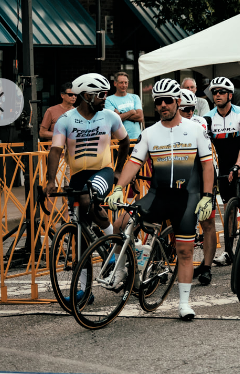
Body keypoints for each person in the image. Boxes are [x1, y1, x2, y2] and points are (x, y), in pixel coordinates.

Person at [105, 78, 214, 321]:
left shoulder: (196, 130)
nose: (163, 105)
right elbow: (134, 162)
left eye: (168, 101)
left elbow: (207, 166)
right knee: (122, 221)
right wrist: (119, 188)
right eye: (158, 102)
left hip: (187, 198)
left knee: (184, 251)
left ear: (177, 101)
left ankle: (184, 304)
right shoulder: (149, 133)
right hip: (158, 195)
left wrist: (207, 197)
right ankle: (122, 268)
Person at [43, 73, 129, 225]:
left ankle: (112, 238)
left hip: (103, 171)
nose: (105, 99)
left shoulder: (110, 116)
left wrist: (118, 170)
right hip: (77, 176)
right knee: (78, 223)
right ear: (87, 96)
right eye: (101, 95)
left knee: (87, 198)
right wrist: (51, 181)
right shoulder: (65, 120)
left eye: (106, 94)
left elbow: (125, 141)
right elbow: (55, 151)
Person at [204, 77, 240, 268]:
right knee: (228, 210)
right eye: (214, 92)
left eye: (222, 92)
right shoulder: (209, 117)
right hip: (224, 167)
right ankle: (229, 251)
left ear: (230, 95)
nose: (217, 95)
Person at [176, 89, 217, 286]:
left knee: (207, 222)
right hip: (181, 177)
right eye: (185, 110)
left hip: (202, 175)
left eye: (192, 109)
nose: (190, 113)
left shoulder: (199, 123)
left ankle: (207, 267)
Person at [104, 72, 143, 146]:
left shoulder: (135, 97)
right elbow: (113, 120)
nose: (124, 85)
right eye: (121, 83)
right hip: (119, 141)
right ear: (115, 83)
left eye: (126, 82)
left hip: (136, 139)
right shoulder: (109, 100)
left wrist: (120, 115)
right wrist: (131, 112)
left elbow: (140, 117)